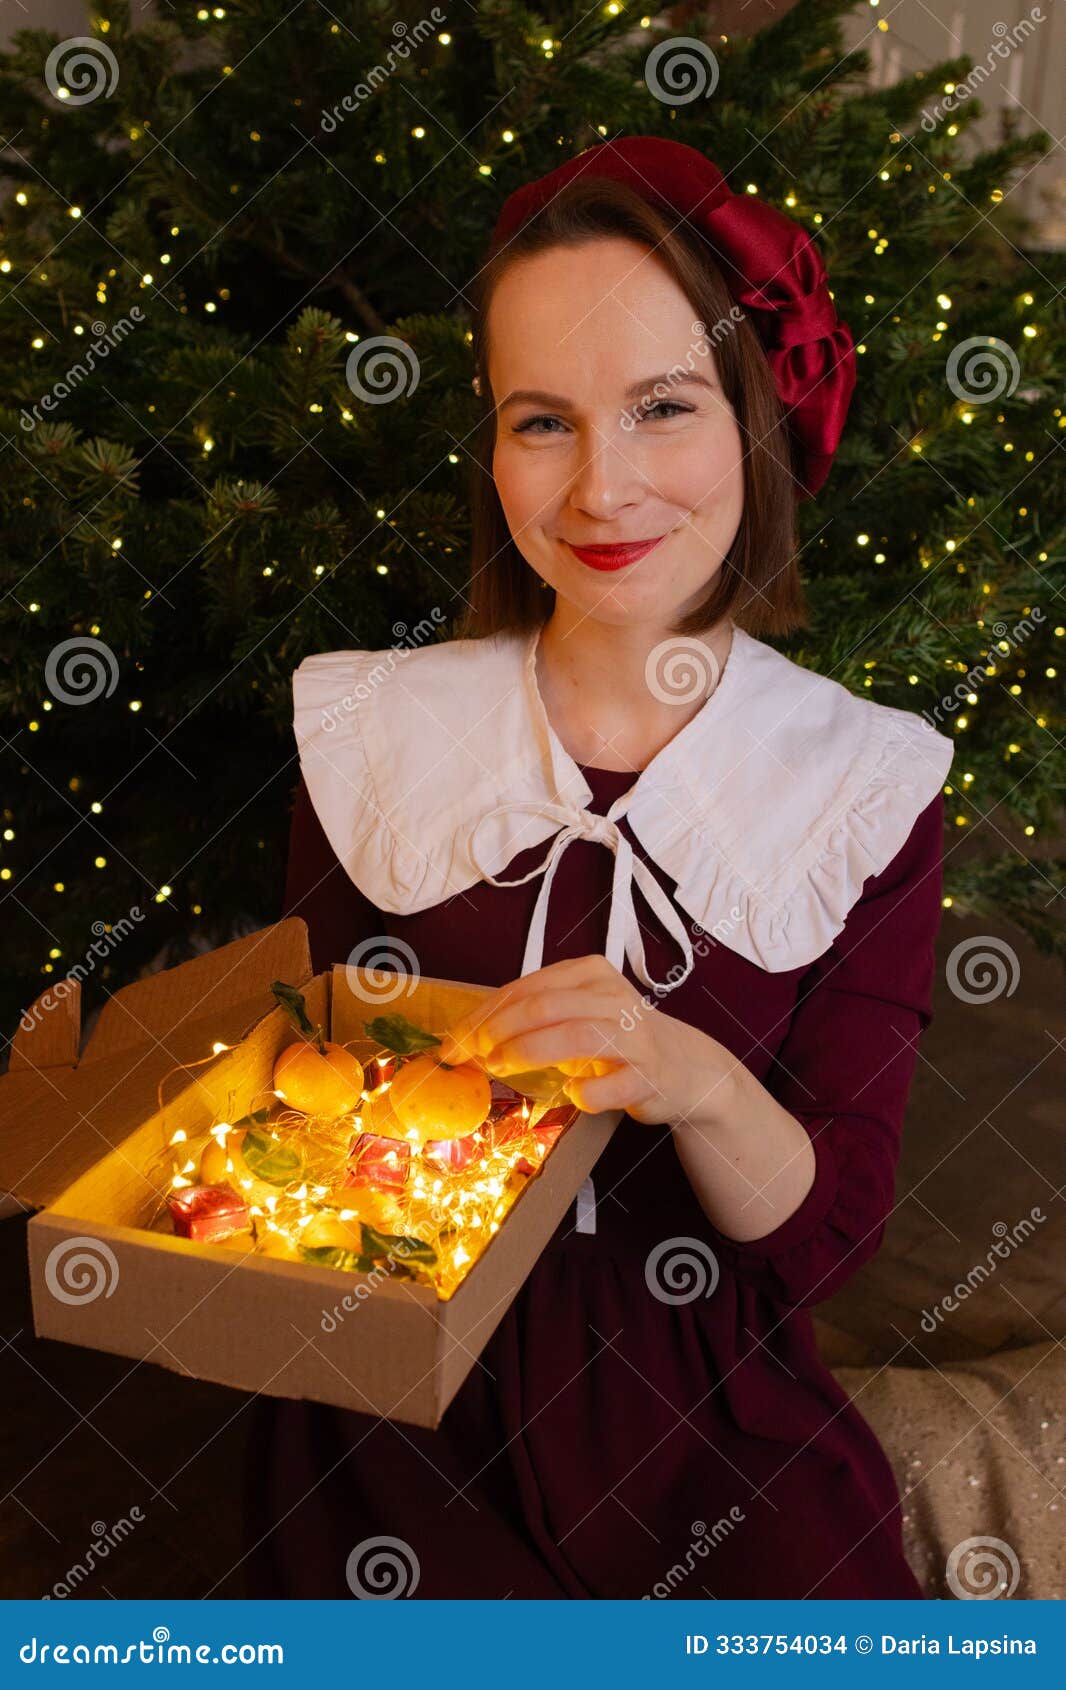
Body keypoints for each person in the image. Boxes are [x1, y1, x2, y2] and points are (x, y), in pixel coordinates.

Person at [242, 136, 954, 1599]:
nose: (600, 488)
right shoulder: (375, 729)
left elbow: (821, 1245)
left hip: (705, 1412)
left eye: (662, 408)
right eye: (541, 421)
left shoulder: (861, 778)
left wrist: (691, 1078)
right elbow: (296, 1097)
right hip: (388, 1405)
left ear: (756, 423)